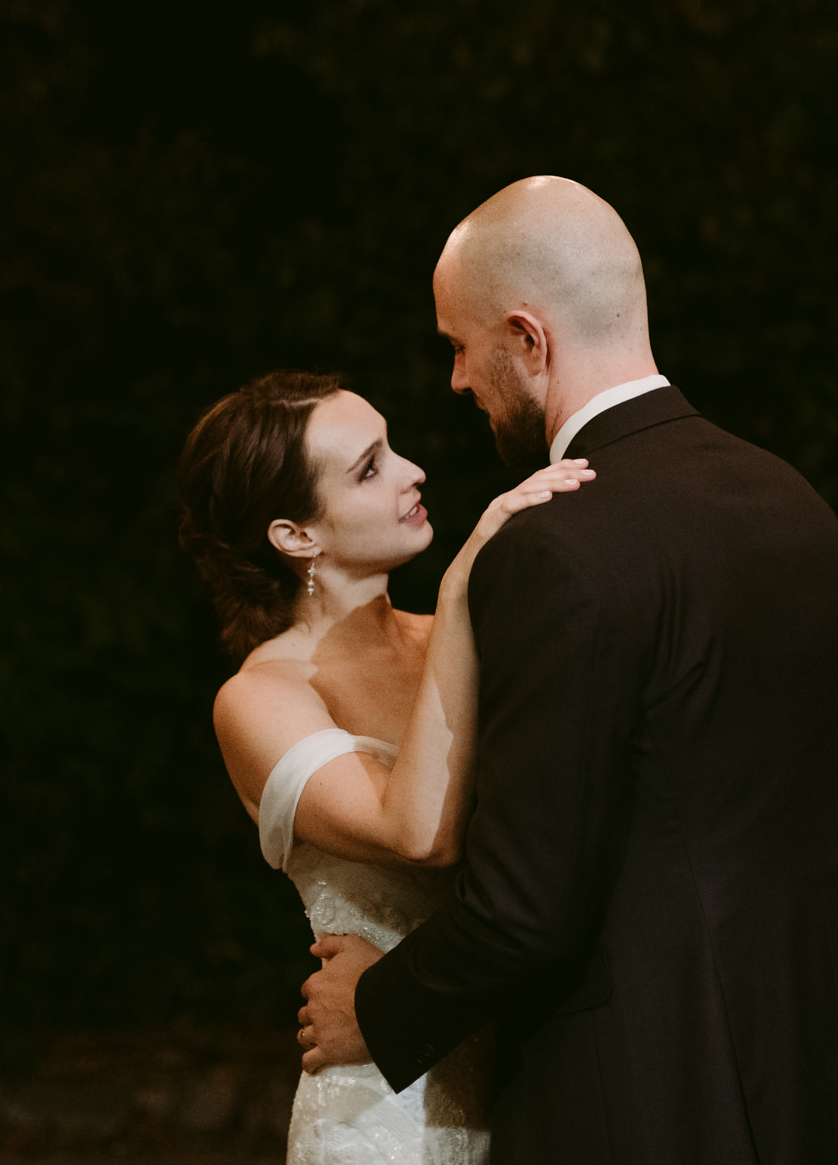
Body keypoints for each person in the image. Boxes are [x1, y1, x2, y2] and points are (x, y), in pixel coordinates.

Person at [296, 176, 838, 1164]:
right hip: (825, 1073)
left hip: (645, 1096)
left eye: (460, 345)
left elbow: (523, 901)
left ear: (528, 339)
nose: (455, 381)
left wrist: (377, 1003)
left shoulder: (555, 547)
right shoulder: (796, 504)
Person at [177, 369, 596, 1164]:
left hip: (531, 1081)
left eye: (393, 448)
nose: (414, 471)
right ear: (295, 535)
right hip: (387, 1115)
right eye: (370, 467)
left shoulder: (448, 632)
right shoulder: (262, 697)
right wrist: (467, 576)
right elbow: (419, 834)